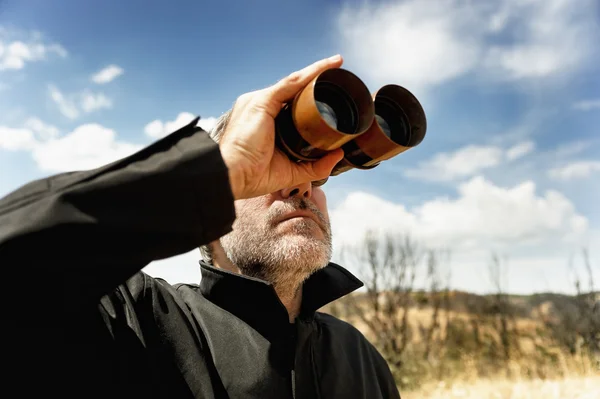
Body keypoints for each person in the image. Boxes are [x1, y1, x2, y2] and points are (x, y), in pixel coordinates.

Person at [0, 55, 400, 398]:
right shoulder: (136, 322)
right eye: (266, 174)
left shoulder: (358, 355)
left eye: (317, 179)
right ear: (212, 213)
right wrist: (216, 173)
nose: (301, 187)